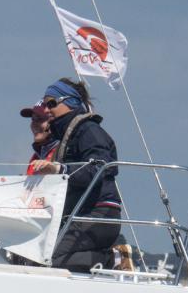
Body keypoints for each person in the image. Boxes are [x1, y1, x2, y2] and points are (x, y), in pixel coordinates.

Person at [20, 78, 122, 271]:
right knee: (39, 258)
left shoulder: (89, 130)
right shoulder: (70, 133)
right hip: (81, 213)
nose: (47, 109)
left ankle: (111, 259)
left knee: (49, 261)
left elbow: (99, 169)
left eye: (52, 103)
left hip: (99, 213)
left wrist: (59, 170)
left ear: (72, 102)